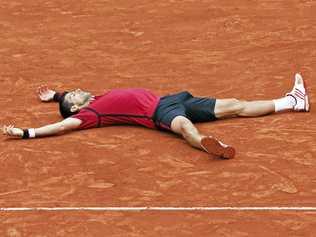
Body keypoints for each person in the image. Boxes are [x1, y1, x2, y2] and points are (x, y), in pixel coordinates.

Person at [2, 73, 309, 159]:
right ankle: (206, 144)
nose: (75, 90)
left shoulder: (93, 98)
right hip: (159, 113)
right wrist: (27, 132)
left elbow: (69, 101)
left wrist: (55, 96)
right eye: (71, 96)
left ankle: (291, 102)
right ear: (77, 108)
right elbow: (60, 126)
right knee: (185, 126)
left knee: (235, 105)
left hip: (173, 99)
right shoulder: (90, 113)